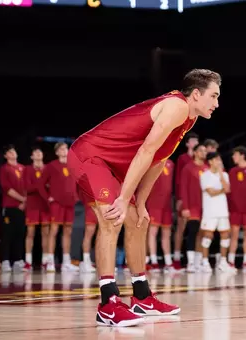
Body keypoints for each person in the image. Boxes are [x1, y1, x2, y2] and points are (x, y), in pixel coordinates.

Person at [67, 69, 221, 327]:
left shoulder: (188, 118)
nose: (217, 103)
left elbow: (158, 160)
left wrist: (139, 202)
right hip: (90, 157)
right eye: (213, 96)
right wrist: (124, 197)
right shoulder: (176, 107)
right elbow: (146, 150)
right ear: (196, 94)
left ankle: (141, 296)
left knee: (138, 220)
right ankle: (108, 303)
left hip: (113, 167)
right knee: (112, 219)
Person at [37, 142, 79, 273]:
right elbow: (40, 185)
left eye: (66, 148)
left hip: (70, 204)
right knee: (53, 230)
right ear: (56, 152)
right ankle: (49, 261)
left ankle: (66, 262)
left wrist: (76, 197)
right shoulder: (51, 166)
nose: (64, 150)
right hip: (57, 204)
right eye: (61, 149)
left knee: (68, 232)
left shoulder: (72, 165)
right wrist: (48, 198)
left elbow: (77, 183)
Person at [199, 152, 235, 273]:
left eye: (220, 159)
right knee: (208, 236)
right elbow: (210, 192)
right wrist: (221, 190)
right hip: (210, 211)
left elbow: (228, 189)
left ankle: (223, 262)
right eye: (217, 159)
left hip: (222, 211)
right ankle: (204, 262)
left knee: (225, 235)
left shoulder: (224, 174)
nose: (219, 161)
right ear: (210, 161)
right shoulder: (205, 175)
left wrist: (220, 173)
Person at [180, 144, 208, 272]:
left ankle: (198, 262)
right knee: (192, 232)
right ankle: (190, 262)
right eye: (201, 150)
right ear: (195, 152)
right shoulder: (188, 168)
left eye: (205, 151)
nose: (204, 153)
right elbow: (183, 188)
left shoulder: (207, 168)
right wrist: (185, 207)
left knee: (202, 234)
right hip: (192, 206)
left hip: (205, 206)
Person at [173, 133, 199, 271]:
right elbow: (178, 180)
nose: (195, 143)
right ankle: (176, 258)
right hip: (183, 198)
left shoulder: (199, 159)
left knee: (196, 229)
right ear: (187, 143)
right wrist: (179, 198)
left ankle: (195, 260)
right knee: (181, 228)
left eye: (197, 141)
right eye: (193, 141)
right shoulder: (183, 158)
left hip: (196, 199)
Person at [0, 145, 27, 273]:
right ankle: (5, 261)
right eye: (9, 152)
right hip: (10, 206)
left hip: (22, 208)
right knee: (7, 234)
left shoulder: (23, 168)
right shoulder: (4, 169)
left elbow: (29, 186)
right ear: (6, 156)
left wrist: (25, 201)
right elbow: (7, 189)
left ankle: (18, 260)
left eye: (13, 151)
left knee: (20, 234)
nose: (12, 153)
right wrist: (22, 199)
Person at [147, 159, 177, 273]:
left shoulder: (170, 163)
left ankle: (168, 262)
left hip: (167, 204)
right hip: (154, 202)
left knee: (166, 234)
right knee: (153, 232)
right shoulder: (152, 161)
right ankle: (154, 262)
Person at [24, 146, 50, 271]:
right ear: (32, 156)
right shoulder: (27, 169)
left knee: (46, 233)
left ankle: (45, 261)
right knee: (30, 233)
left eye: (40, 152)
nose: (38, 154)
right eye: (35, 152)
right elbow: (27, 188)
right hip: (32, 205)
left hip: (45, 205)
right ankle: (28, 261)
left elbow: (52, 186)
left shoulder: (48, 169)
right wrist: (41, 185)